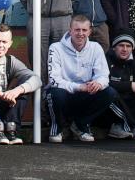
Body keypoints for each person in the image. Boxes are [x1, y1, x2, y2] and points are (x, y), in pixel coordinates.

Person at [46, 14, 114, 143]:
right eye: (77, 30)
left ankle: (80, 125)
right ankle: (58, 127)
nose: (80, 33)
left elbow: (104, 75)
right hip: (65, 93)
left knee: (109, 92)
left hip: (86, 94)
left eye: (84, 30)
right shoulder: (55, 48)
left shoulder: (96, 47)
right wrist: (78, 87)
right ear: (70, 30)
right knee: (55, 93)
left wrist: (98, 83)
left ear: (89, 31)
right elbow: (54, 80)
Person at [0, 24, 42, 145]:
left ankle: (11, 128)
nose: (0, 45)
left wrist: (16, 91)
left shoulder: (11, 61)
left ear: (10, 43)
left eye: (4, 42)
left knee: (24, 87)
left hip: (5, 106)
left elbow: (36, 79)